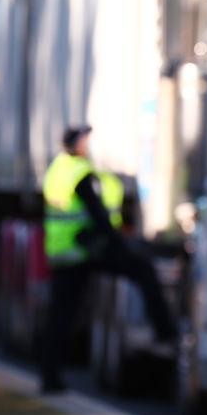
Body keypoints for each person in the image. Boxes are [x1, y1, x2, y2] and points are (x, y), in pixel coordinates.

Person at [40, 125, 177, 393]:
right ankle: (166, 333)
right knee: (143, 270)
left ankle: (50, 377)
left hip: (65, 252)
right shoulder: (79, 173)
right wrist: (119, 244)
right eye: (85, 141)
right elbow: (98, 214)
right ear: (76, 145)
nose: (88, 145)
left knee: (60, 316)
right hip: (83, 250)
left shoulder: (59, 168)